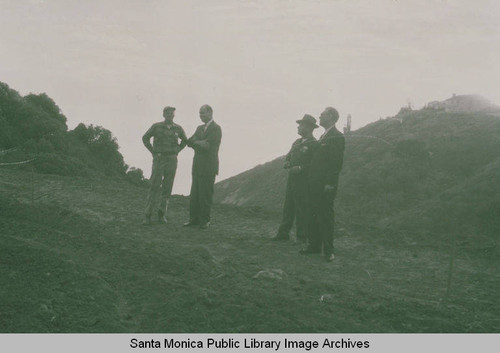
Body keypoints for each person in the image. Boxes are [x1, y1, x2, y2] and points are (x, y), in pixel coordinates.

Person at [300, 107, 345, 262]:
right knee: (313, 214)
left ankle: (328, 250)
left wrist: (330, 183)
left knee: (325, 215)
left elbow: (335, 163)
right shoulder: (324, 136)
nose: (320, 116)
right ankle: (314, 246)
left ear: (331, 117)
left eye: (323, 114)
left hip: (325, 185)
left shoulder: (337, 136)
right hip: (315, 184)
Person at [272, 114, 319, 242]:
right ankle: (283, 233)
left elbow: (314, 164)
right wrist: (286, 162)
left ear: (309, 127)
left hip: (304, 182)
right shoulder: (296, 142)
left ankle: (302, 236)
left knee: (302, 208)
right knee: (288, 207)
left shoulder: (314, 144)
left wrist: (300, 168)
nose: (298, 127)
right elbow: (289, 156)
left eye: (301, 125)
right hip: (292, 180)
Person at [142, 106, 188, 225]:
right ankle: (148, 214)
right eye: (167, 113)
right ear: (163, 114)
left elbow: (185, 141)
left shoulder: (178, 128)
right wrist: (153, 152)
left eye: (172, 113)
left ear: (174, 115)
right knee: (154, 185)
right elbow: (145, 138)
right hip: (159, 158)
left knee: (168, 187)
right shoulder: (156, 126)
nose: (170, 115)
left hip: (172, 159)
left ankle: (162, 214)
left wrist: (177, 149)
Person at [184, 104, 222, 229]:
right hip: (197, 166)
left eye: (203, 113)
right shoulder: (199, 128)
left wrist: (196, 142)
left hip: (209, 167)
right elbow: (189, 141)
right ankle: (193, 219)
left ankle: (205, 220)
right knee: (195, 194)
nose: (201, 115)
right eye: (200, 113)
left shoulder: (216, 128)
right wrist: (198, 142)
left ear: (210, 112)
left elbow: (207, 146)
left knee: (205, 194)